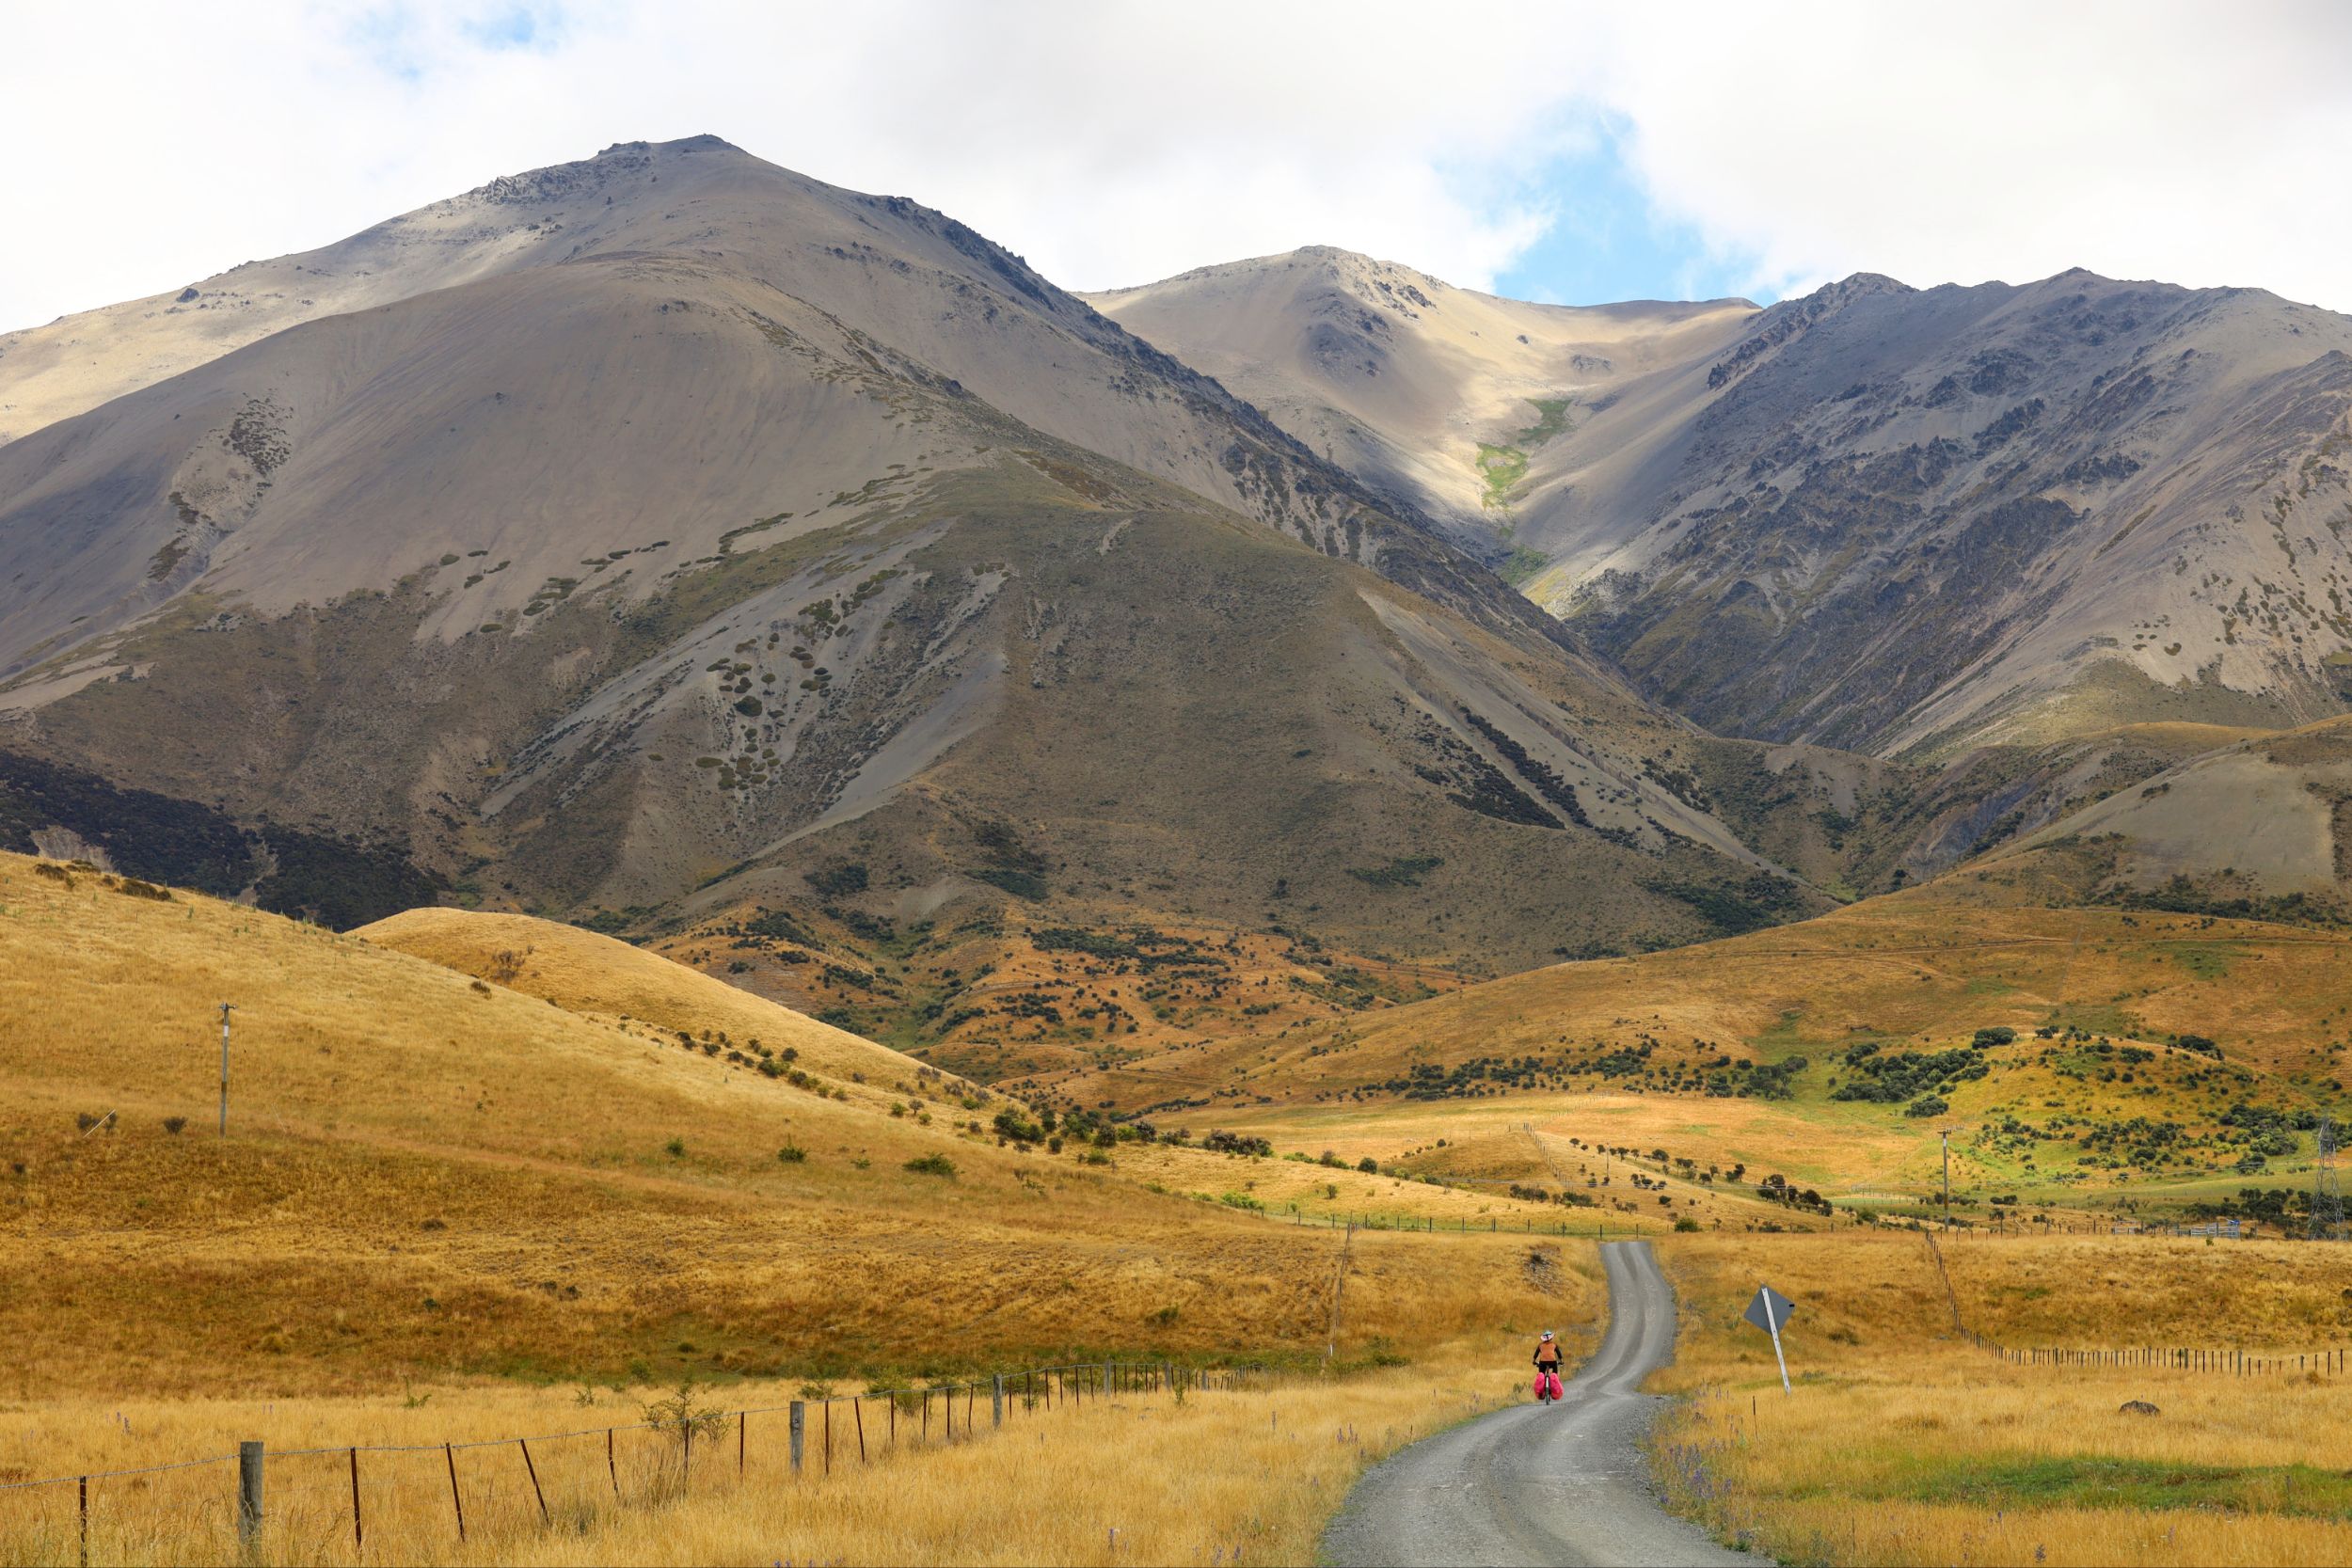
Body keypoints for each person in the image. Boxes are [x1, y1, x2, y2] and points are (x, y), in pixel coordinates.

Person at [1532, 1329, 1565, 1401]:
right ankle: (1554, 1387)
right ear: (1551, 1338)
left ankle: (1542, 1390)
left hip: (1542, 1363)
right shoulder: (1554, 1345)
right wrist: (1561, 1361)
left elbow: (1536, 1354)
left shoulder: (1540, 1345)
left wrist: (1534, 1361)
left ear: (1544, 1338)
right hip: (1553, 1362)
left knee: (1541, 1375)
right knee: (1555, 1375)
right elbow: (1559, 1354)